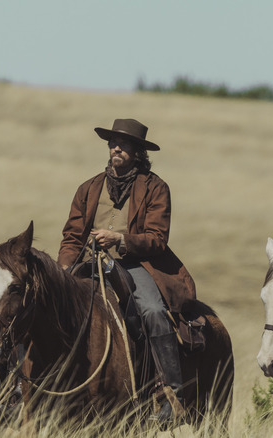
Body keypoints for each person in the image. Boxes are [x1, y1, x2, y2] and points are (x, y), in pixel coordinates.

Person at [57, 118, 196, 424]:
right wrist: (65, 268)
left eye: (125, 144)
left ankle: (171, 397)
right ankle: (25, 391)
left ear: (138, 152)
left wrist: (121, 240)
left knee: (154, 312)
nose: (116, 148)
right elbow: (72, 236)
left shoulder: (156, 188)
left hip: (135, 264)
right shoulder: (89, 187)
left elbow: (157, 239)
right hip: (88, 262)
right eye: (113, 143)